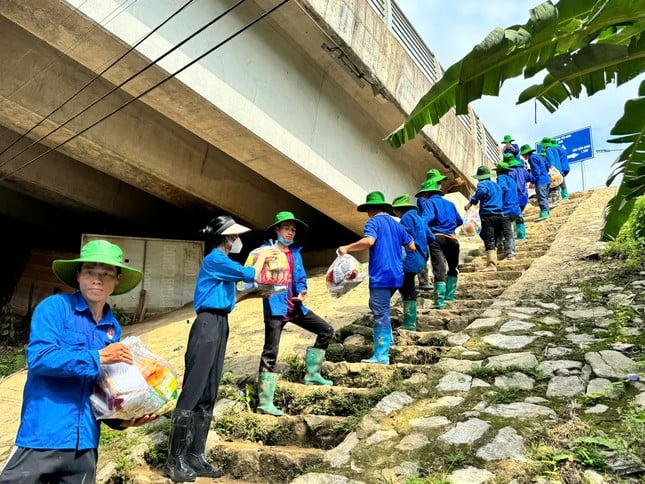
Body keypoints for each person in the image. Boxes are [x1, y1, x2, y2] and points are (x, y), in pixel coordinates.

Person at [0, 239, 155, 484]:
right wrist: (99, 356)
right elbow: (40, 358)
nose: (97, 279)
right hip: (43, 435)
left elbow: (103, 387)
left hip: (85, 446)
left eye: (106, 274)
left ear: (116, 280)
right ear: (78, 276)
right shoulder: (55, 308)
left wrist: (121, 418)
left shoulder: (112, 328)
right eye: (90, 272)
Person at [165, 215, 278, 482]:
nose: (238, 240)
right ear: (227, 237)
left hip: (220, 323)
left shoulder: (222, 266)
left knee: (209, 389)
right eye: (235, 236)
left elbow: (227, 296)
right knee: (193, 389)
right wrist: (266, 256)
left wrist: (252, 294)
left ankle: (195, 456)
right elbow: (249, 273)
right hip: (206, 325)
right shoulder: (215, 259)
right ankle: (175, 459)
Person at [256, 211, 335, 417]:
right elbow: (256, 276)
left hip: (296, 307)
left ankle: (313, 374)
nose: (290, 233)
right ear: (277, 229)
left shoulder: (296, 252)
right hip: (275, 309)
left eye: (293, 229)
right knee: (270, 352)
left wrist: (302, 290)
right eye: (286, 228)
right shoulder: (266, 251)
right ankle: (265, 402)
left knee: (326, 330)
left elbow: (300, 277)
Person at [339, 191, 414, 364]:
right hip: (397, 274)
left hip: (381, 274)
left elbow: (369, 241)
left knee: (381, 313)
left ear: (370, 209)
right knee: (377, 306)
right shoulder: (397, 225)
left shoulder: (373, 222)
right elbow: (411, 246)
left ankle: (381, 355)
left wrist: (347, 247)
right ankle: (388, 341)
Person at [415, 177, 463, 308]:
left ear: (426, 193)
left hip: (437, 237)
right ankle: (450, 296)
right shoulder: (450, 204)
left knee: (439, 267)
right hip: (453, 238)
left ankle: (439, 301)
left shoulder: (429, 202)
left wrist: (418, 227)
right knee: (453, 267)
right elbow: (460, 221)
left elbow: (427, 218)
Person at [391, 195, 429, 330]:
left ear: (398, 210)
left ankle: (409, 322)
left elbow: (404, 239)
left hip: (409, 259)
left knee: (406, 287)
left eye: (394, 211)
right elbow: (431, 237)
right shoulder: (420, 218)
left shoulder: (405, 219)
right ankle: (410, 321)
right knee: (407, 285)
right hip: (420, 259)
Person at [464, 166, 505, 271]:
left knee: (489, 238)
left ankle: (491, 264)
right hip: (500, 214)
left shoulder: (482, 184)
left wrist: (472, 202)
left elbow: (481, 192)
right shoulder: (496, 186)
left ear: (480, 177)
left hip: (488, 214)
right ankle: (498, 252)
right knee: (496, 237)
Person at [416, 168, 446, 290]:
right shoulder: (424, 199)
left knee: (436, 256)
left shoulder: (433, 199)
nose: (440, 185)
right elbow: (427, 216)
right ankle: (425, 281)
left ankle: (436, 280)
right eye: (439, 183)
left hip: (432, 230)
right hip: (426, 230)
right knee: (425, 255)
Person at [493, 158, 521, 260]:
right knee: (502, 229)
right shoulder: (512, 180)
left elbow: (502, 189)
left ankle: (510, 253)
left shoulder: (501, 178)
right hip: (515, 209)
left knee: (507, 231)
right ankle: (500, 247)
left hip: (506, 209)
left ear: (498, 172)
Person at [506, 152, 534, 241]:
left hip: (515, 197)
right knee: (518, 214)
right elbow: (531, 178)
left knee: (514, 215)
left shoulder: (510, 172)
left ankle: (519, 235)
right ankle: (520, 233)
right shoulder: (522, 170)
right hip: (524, 197)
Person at [519, 144, 551, 221]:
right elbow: (547, 165)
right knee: (545, 197)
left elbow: (536, 171)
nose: (523, 157)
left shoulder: (531, 159)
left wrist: (532, 181)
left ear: (526, 154)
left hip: (540, 181)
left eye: (523, 155)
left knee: (541, 197)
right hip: (546, 179)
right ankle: (546, 212)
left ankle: (544, 213)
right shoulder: (538, 156)